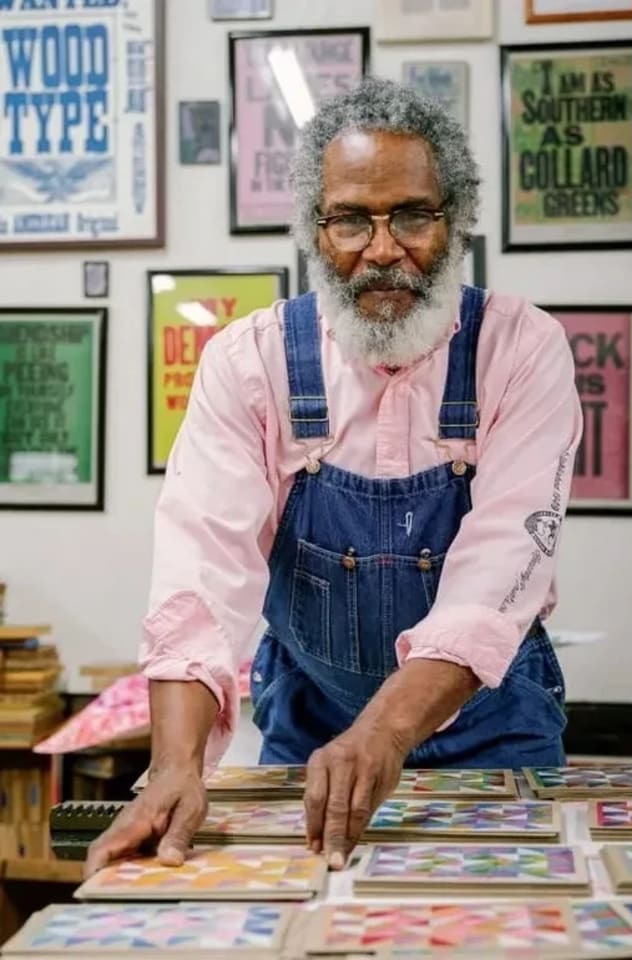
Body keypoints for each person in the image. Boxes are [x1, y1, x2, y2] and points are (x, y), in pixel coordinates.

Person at [85, 77, 582, 878]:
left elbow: (501, 572)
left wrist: (385, 732)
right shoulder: (249, 364)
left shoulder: (522, 351)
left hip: (497, 724)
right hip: (312, 727)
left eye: (412, 215)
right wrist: (175, 764)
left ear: (454, 221)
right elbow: (199, 571)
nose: (383, 249)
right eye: (352, 219)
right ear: (315, 232)